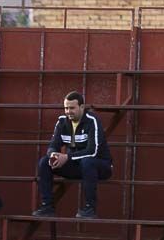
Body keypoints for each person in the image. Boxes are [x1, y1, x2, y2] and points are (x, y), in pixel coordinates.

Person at [32, 91, 112, 219]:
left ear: (81, 107)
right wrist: (54, 155)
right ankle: (47, 206)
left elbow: (92, 151)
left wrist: (67, 157)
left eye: (72, 108)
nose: (68, 111)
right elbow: (53, 145)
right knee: (44, 162)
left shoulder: (92, 120)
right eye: (66, 108)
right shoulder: (62, 121)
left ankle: (90, 208)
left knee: (87, 161)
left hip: (100, 166)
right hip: (76, 165)